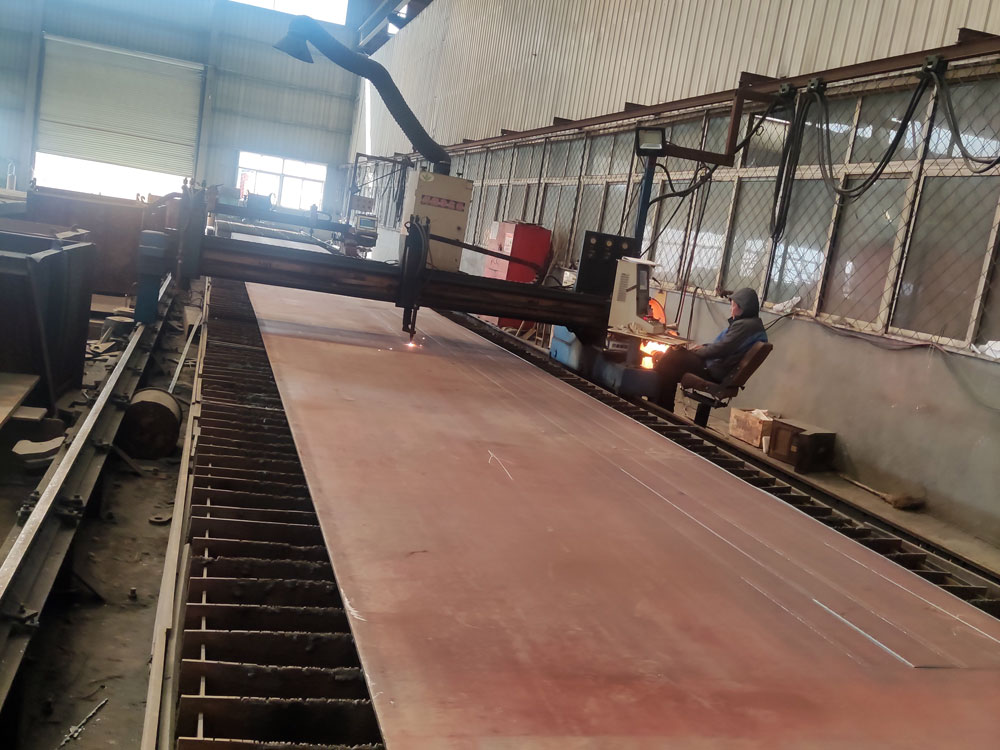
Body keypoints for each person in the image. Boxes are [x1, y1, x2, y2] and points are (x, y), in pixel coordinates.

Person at [653, 287, 768, 412]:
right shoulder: (753, 325)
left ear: (742, 308)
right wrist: (704, 347)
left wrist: (695, 352)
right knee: (671, 366)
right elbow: (726, 346)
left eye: (733, 305)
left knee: (672, 356)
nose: (730, 309)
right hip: (719, 369)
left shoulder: (744, 326)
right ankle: (663, 408)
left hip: (713, 371)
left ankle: (659, 406)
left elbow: (721, 349)